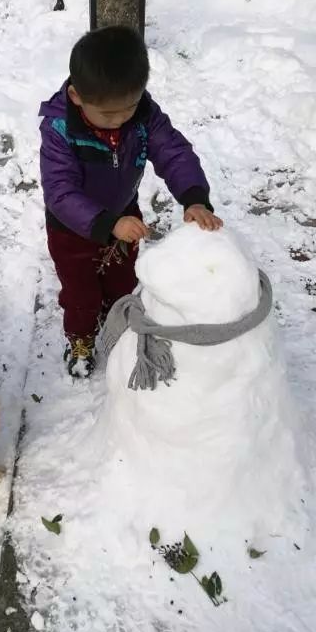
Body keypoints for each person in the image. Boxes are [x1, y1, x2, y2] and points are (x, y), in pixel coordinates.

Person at [39, 26, 223, 378]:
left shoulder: (143, 116)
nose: (120, 120)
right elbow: (60, 191)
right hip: (72, 229)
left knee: (122, 281)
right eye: (108, 115)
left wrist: (194, 198)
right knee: (81, 293)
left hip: (124, 215)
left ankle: (117, 316)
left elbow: (174, 153)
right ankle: (81, 338)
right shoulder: (60, 130)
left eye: (129, 107)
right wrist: (108, 224)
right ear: (77, 97)